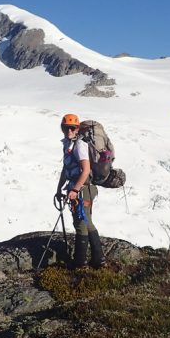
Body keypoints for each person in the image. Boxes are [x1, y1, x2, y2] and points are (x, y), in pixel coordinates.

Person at [56, 113, 105, 268]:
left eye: (72, 128)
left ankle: (80, 262)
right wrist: (59, 188)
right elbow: (66, 169)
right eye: (65, 128)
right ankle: (98, 259)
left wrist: (75, 190)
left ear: (77, 129)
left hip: (83, 189)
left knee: (80, 223)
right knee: (86, 222)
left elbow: (85, 170)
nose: (69, 131)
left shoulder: (80, 145)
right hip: (80, 189)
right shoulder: (68, 145)